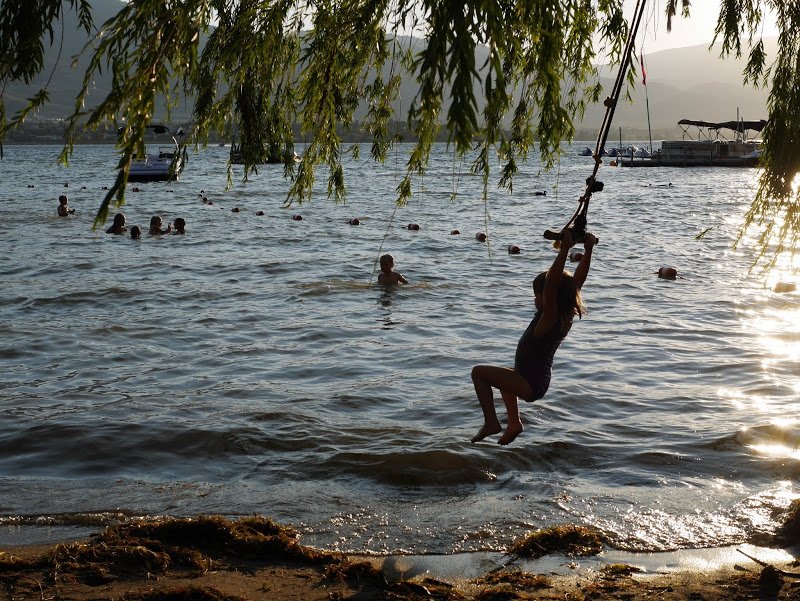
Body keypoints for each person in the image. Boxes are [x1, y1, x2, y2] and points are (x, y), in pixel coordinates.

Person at [470, 229, 596, 445]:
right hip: (533, 379)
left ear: (548, 297)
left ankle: (491, 422)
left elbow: (552, 284)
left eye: (537, 295)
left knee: (479, 373)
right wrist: (588, 250)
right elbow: (577, 283)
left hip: (529, 382)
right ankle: (514, 423)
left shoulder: (550, 317)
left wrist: (565, 249)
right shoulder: (564, 314)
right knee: (503, 377)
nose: (535, 299)